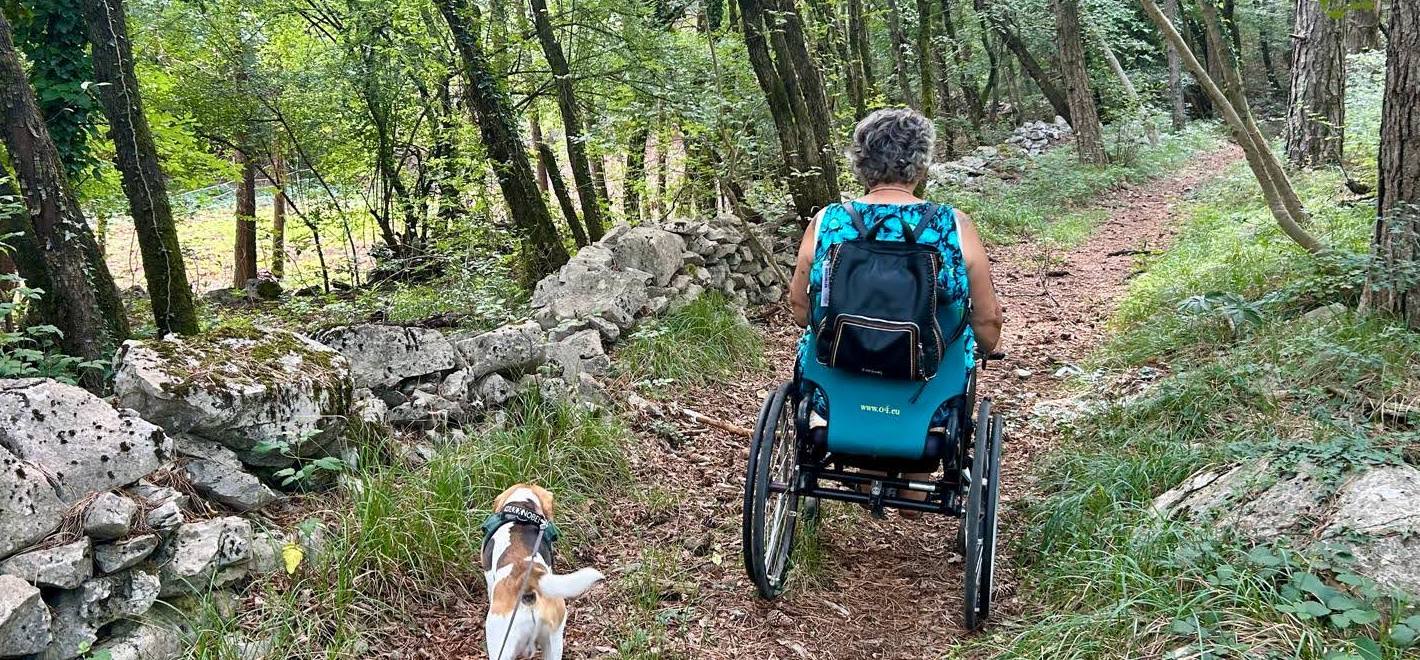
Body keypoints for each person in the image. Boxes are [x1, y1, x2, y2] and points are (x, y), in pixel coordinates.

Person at [787, 108, 1003, 512]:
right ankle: (914, 478)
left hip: (837, 386)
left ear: (860, 163)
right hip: (926, 389)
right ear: (921, 163)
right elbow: (987, 320)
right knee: (955, 353)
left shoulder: (828, 222)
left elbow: (801, 311)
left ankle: (851, 453)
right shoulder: (952, 226)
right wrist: (988, 347)